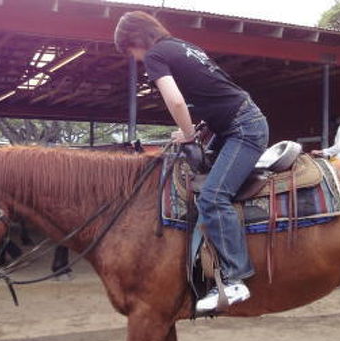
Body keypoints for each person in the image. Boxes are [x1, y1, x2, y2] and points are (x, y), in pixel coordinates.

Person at [114, 11, 269, 313]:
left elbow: (175, 101)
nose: (133, 58)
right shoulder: (184, 46)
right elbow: (214, 94)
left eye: (129, 51)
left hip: (243, 128)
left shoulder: (155, 55)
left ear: (136, 39)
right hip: (233, 122)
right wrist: (193, 131)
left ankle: (237, 278)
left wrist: (187, 134)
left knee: (213, 197)